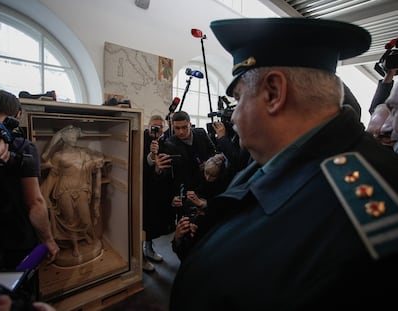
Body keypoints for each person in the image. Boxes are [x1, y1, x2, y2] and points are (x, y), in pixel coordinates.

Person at [169, 18, 398, 310]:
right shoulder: (275, 156)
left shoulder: (363, 214)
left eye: (238, 99)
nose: (234, 117)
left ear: (274, 93)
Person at [0, 89, 59, 271]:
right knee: (18, 296)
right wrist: (48, 240)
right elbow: (35, 202)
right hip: (17, 244)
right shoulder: (24, 147)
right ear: (18, 115)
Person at [40, 125, 104, 265]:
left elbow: (92, 164)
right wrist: (45, 193)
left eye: (76, 135)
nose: (74, 138)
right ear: (63, 138)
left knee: (85, 219)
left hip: (81, 189)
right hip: (64, 190)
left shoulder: (83, 153)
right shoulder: (58, 156)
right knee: (70, 220)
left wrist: (95, 163)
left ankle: (85, 236)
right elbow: (52, 175)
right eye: (71, 135)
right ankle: (75, 246)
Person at [142, 115, 176, 272]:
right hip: (140, 190)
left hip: (155, 190)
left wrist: (158, 169)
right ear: (148, 126)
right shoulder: (139, 139)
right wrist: (150, 157)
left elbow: (164, 169)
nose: (157, 129)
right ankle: (140, 257)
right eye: (154, 126)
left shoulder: (165, 143)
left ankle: (149, 250)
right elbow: (138, 164)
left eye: (160, 127)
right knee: (139, 225)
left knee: (151, 224)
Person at [163, 111, 216, 207]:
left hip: (208, 183)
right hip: (187, 189)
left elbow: (213, 150)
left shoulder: (201, 133)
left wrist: (208, 162)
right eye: (177, 128)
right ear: (172, 127)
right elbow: (171, 174)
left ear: (190, 125)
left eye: (184, 127)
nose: (181, 132)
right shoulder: (170, 144)